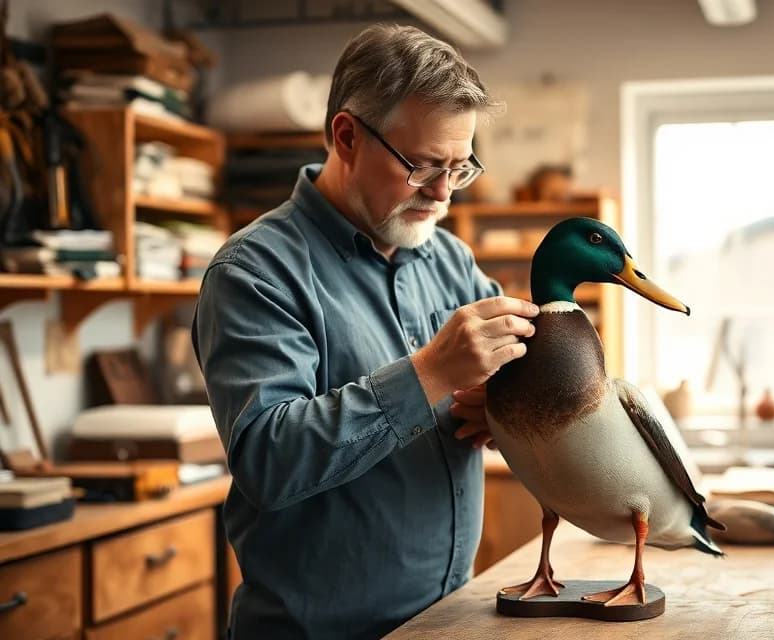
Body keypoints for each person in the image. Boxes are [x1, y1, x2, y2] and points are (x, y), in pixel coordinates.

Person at [192, 24, 538, 639]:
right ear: (346, 136)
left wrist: (505, 408)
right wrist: (431, 372)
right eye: (423, 166)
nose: (440, 195)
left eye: (459, 169)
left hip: (446, 620)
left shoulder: (450, 260)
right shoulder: (254, 272)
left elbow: (507, 382)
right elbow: (268, 461)